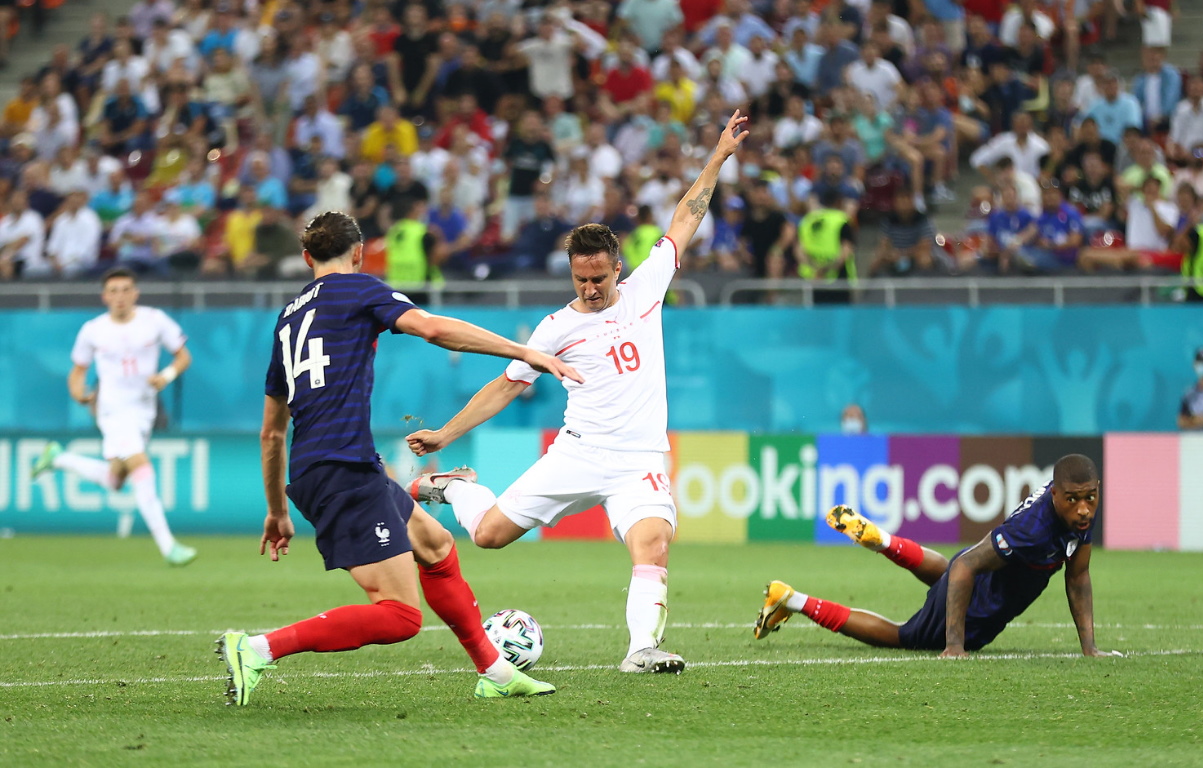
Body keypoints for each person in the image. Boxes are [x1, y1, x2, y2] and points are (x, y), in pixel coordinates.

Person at [405, 111, 751, 675]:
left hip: (638, 459)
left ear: (618, 267)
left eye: (599, 278)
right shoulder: (555, 329)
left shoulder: (647, 287)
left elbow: (686, 216)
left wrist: (716, 158)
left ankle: (641, 650)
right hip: (579, 452)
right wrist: (445, 434)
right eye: (580, 280)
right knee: (489, 535)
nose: (589, 289)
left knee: (653, 543)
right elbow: (505, 387)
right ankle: (453, 486)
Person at [214, 211, 582, 707]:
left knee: (435, 546)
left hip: (328, 466)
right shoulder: (359, 288)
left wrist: (277, 510)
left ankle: (494, 670)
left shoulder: (286, 320)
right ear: (360, 253)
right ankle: (257, 647)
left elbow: (271, 432)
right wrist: (525, 352)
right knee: (400, 616)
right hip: (342, 468)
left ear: (306, 258)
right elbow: (430, 328)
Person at [755, 455, 1122, 659]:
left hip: (983, 580)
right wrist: (955, 645)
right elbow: (966, 566)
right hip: (980, 604)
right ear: (1055, 494)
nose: (1084, 509)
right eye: (1073, 499)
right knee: (902, 637)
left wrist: (1089, 648)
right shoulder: (1033, 528)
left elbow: (1077, 577)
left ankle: (884, 541)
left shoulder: (1075, 509)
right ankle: (793, 599)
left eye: (1090, 497)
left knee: (951, 573)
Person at [31, 269, 197, 564]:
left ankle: (58, 458)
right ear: (104, 296)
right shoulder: (93, 329)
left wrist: (166, 375)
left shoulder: (155, 320)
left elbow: (183, 356)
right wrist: (79, 393)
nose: (120, 296)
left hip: (143, 410)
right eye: (114, 291)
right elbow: (78, 372)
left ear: (135, 293)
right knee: (140, 464)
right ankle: (168, 545)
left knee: (115, 479)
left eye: (125, 290)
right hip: (112, 410)